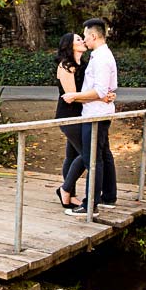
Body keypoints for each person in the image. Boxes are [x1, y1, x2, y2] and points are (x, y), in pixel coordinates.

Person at [62, 18, 118, 215]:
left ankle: (89, 205)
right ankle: (107, 197)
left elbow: (100, 90)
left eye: (85, 36)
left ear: (93, 36)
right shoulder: (98, 56)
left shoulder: (101, 58)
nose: (84, 39)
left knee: (92, 160)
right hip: (93, 113)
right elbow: (102, 90)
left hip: (95, 116)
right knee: (99, 156)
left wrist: (75, 96)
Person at [53, 32, 87, 209]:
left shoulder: (83, 64)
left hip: (82, 114)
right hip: (69, 115)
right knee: (87, 153)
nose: (82, 40)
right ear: (69, 45)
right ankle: (65, 189)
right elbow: (72, 96)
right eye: (78, 39)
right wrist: (99, 98)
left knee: (72, 155)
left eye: (82, 38)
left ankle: (69, 195)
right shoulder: (66, 66)